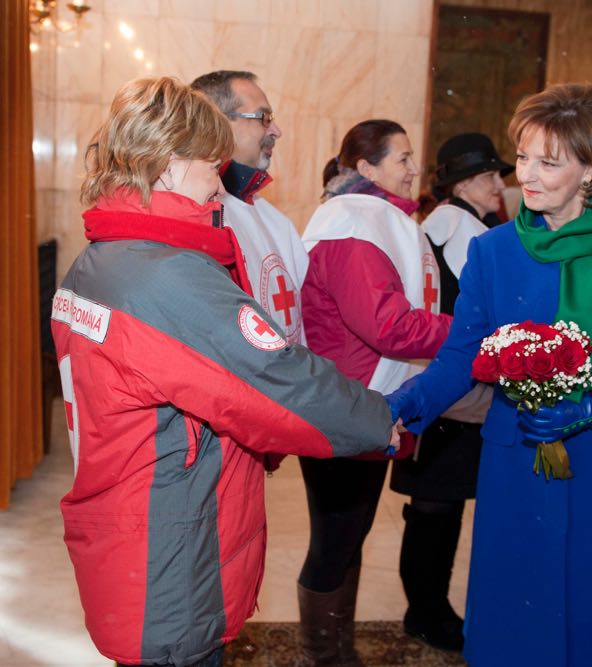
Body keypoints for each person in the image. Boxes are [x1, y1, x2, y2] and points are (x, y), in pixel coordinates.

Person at [52, 77, 395, 667]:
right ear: (166, 167)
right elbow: (274, 378)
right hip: (168, 544)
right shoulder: (163, 278)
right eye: (212, 168)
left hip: (131, 525)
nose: (219, 190)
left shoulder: (100, 260)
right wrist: (377, 418)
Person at [387, 83, 592, 667]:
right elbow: (461, 357)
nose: (525, 175)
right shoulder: (495, 250)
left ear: (591, 170)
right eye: (523, 157)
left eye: (547, 163)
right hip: (515, 458)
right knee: (517, 613)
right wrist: (399, 403)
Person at [296, 119, 452, 665]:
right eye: (402, 158)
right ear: (365, 168)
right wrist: (470, 331)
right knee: (335, 536)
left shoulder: (374, 221)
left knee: (352, 531)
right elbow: (386, 326)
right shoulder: (352, 225)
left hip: (365, 399)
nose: (414, 168)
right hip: (344, 402)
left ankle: (339, 649)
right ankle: (324, 655)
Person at [387, 132, 512, 651]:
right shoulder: (462, 230)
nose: (498, 185)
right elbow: (477, 316)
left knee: (433, 507)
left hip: (438, 388)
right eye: (488, 176)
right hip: (454, 395)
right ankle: (428, 611)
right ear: (462, 183)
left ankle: (428, 607)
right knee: (436, 509)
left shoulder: (436, 226)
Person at [191, 70, 308, 345]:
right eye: (263, 118)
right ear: (217, 122)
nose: (276, 131)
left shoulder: (277, 221)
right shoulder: (197, 217)